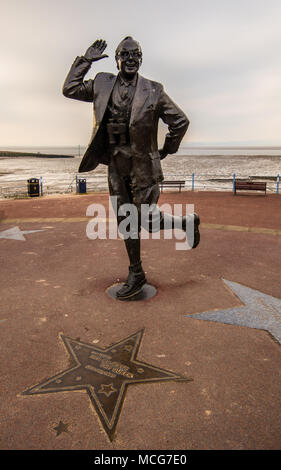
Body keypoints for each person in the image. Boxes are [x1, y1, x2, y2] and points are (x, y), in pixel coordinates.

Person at [63, 37, 200, 299]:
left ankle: (185, 222)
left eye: (136, 54)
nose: (131, 59)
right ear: (116, 58)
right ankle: (136, 273)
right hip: (116, 166)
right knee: (126, 223)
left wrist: (166, 150)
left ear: (141, 58)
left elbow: (180, 121)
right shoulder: (102, 83)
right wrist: (86, 61)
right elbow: (69, 88)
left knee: (147, 221)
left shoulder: (154, 90)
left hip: (144, 168)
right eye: (125, 54)